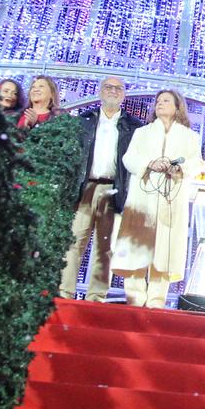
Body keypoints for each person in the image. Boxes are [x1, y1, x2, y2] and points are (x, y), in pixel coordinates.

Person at [112, 88, 202, 309]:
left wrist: (177, 168)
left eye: (166, 100)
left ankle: (156, 300)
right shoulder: (142, 133)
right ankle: (134, 297)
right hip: (143, 195)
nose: (160, 104)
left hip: (172, 196)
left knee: (165, 247)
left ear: (177, 107)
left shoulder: (190, 136)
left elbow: (196, 163)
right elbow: (129, 158)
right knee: (137, 245)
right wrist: (149, 164)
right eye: (158, 101)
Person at [60, 76, 140, 302]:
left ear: (124, 94)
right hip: (85, 187)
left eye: (118, 88)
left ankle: (96, 296)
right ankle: (65, 293)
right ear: (100, 91)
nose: (113, 91)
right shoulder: (84, 121)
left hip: (113, 189)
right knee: (74, 241)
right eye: (108, 87)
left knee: (105, 247)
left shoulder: (133, 127)